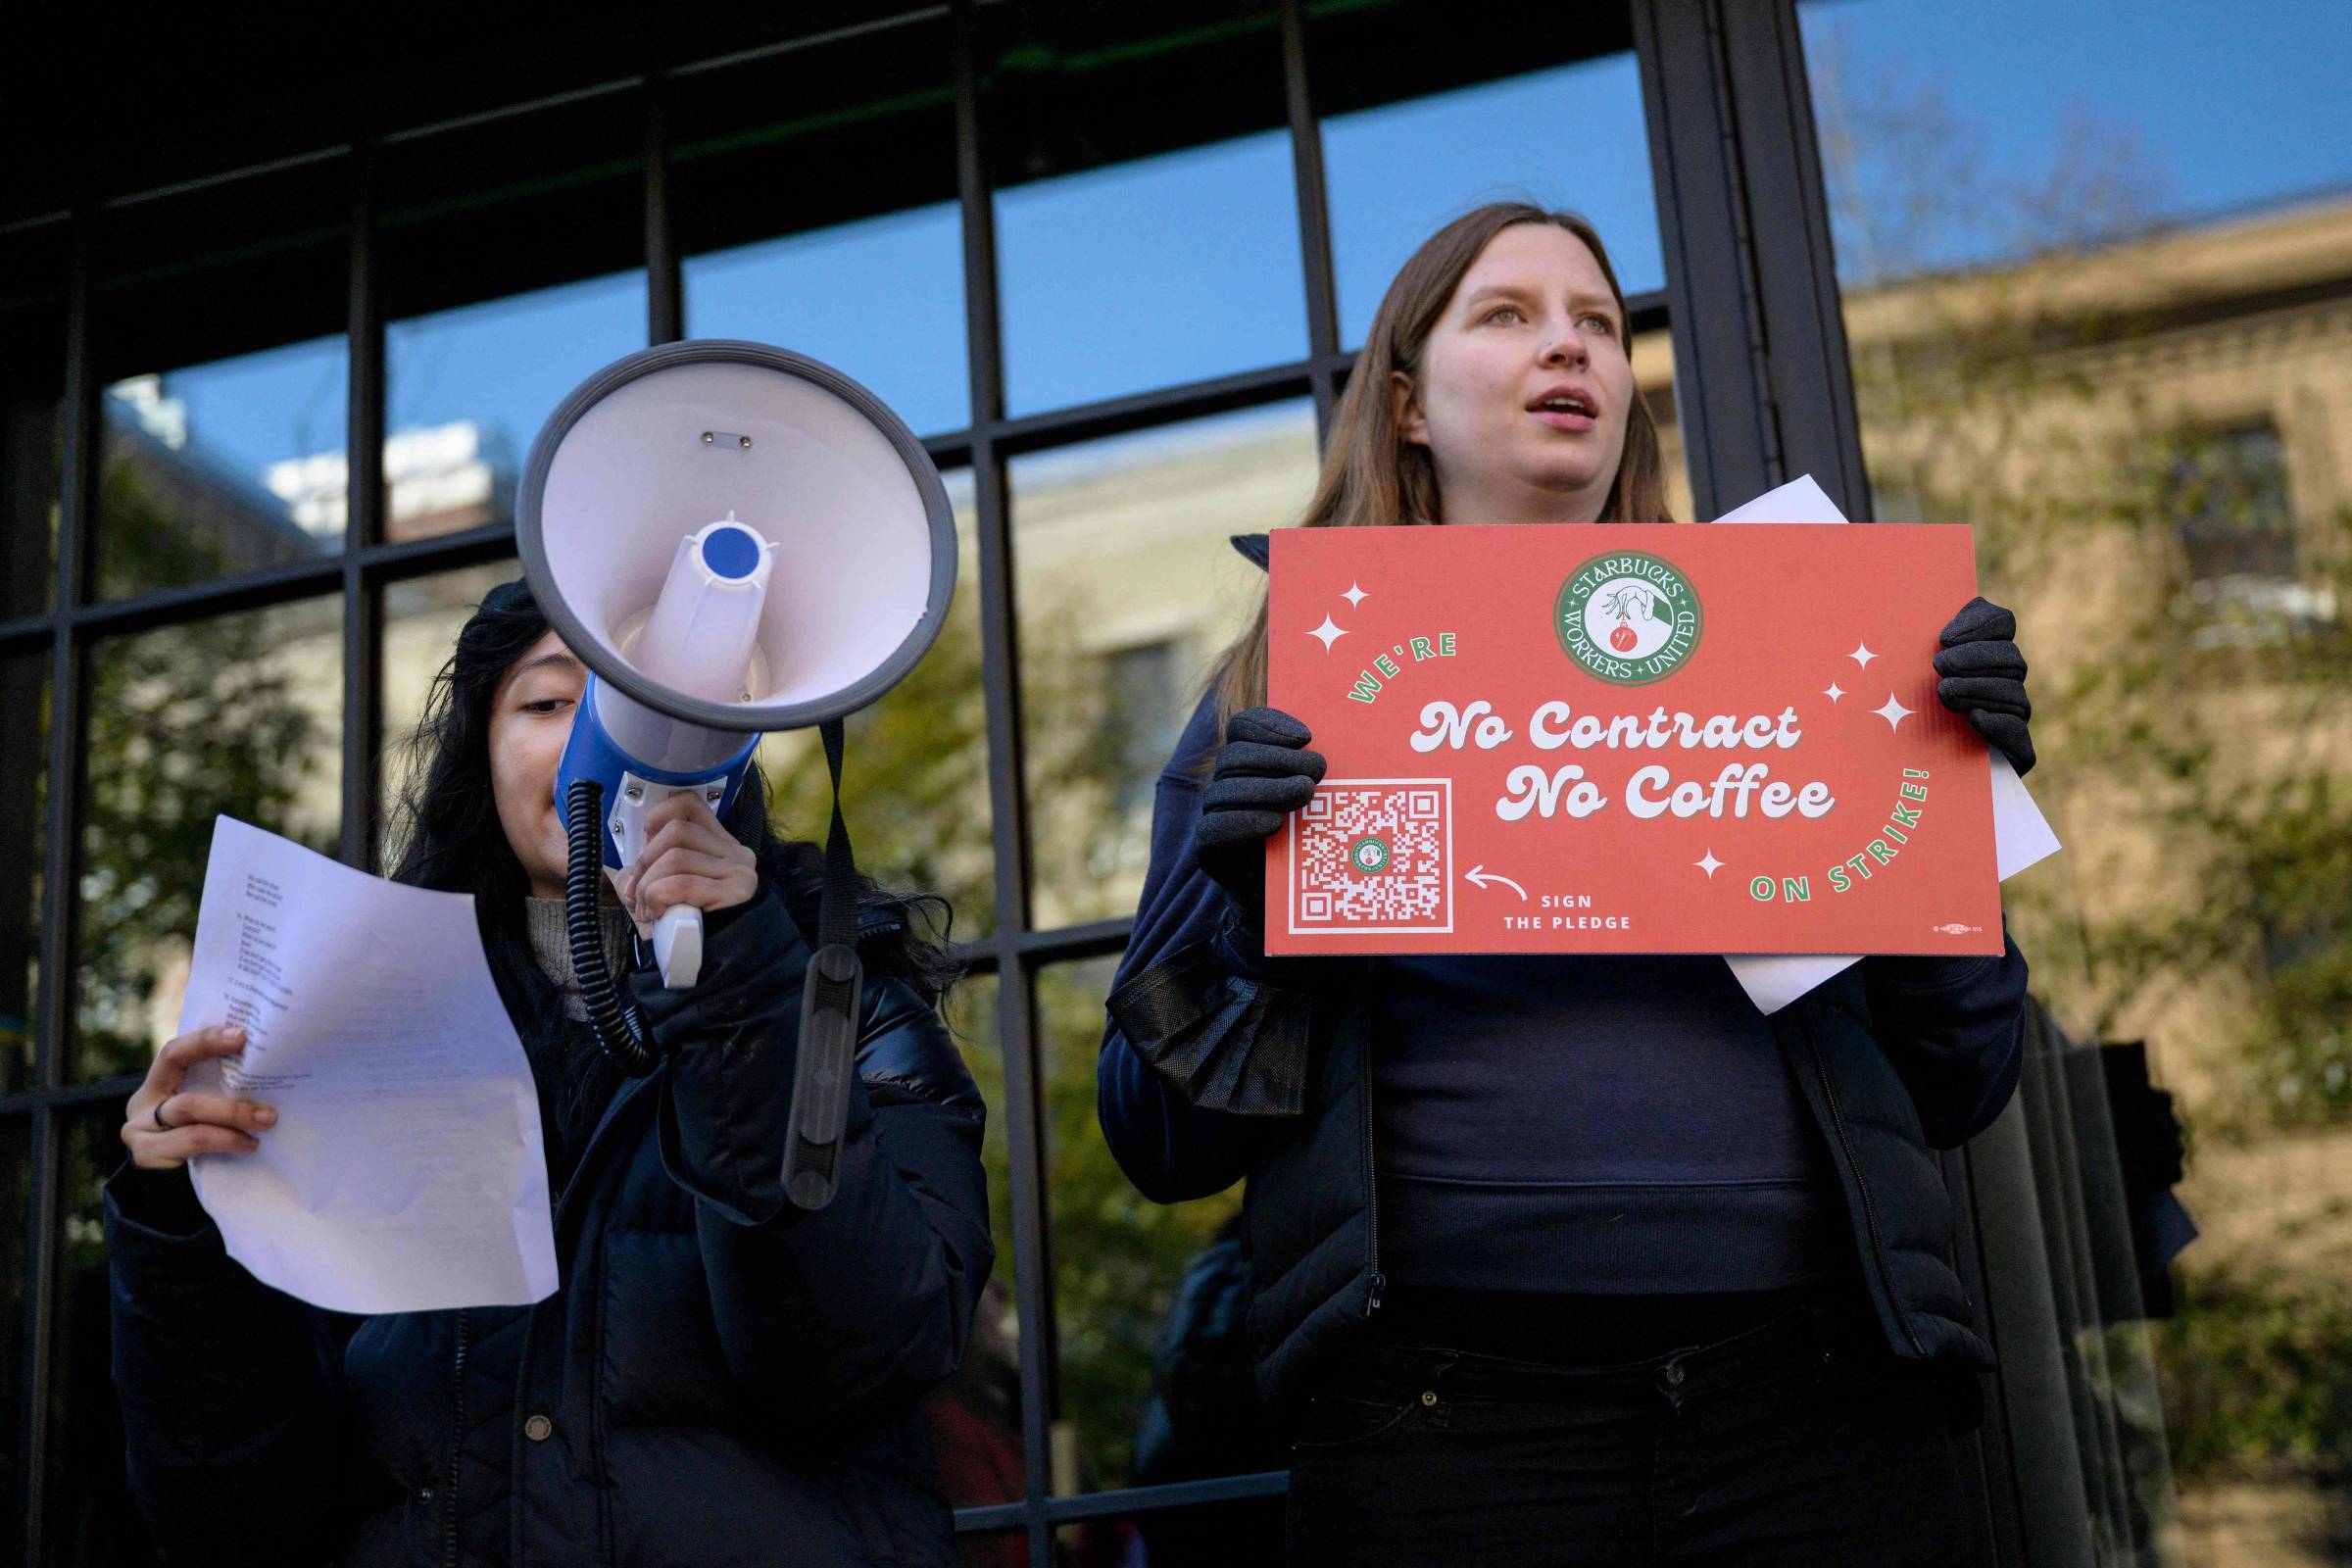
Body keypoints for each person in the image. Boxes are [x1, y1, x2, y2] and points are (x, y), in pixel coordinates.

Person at [1097, 202, 2036, 1566]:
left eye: (1597, 321)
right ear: (1408, 405)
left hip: (1822, 1403)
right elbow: (1155, 1142)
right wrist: (1250, 922)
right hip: (1446, 1429)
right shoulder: (1281, 691)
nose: (1570, 347)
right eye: (1510, 315)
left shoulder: (1804, 665)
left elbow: (1961, 1079)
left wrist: (1949, 805)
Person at [106, 578, 994, 1566]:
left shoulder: (845, 1007)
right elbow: (223, 1507)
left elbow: (864, 1352)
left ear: (723, 745)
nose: (596, 742)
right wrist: (187, 1224)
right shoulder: (349, 1039)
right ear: (480, 753)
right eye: (548, 702)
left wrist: (741, 981)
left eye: (642, 702)